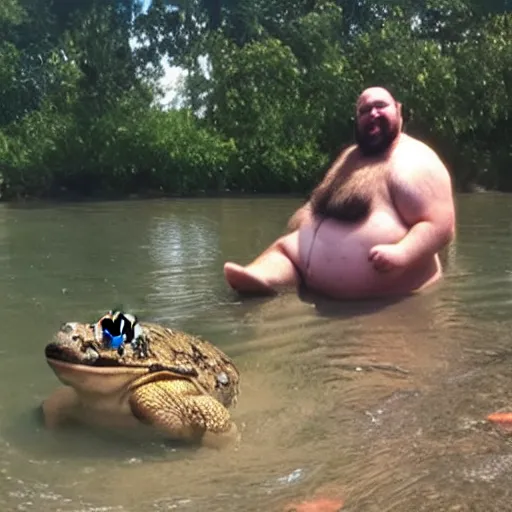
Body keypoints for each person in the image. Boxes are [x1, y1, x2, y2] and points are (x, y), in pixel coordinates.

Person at [223, 86, 456, 300]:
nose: (372, 114)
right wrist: (303, 220)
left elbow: (441, 225)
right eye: (365, 110)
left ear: (398, 109)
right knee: (282, 253)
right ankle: (265, 277)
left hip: (386, 295)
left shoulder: (414, 160)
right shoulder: (349, 157)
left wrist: (402, 253)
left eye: (380, 106)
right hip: (302, 264)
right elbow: (321, 200)